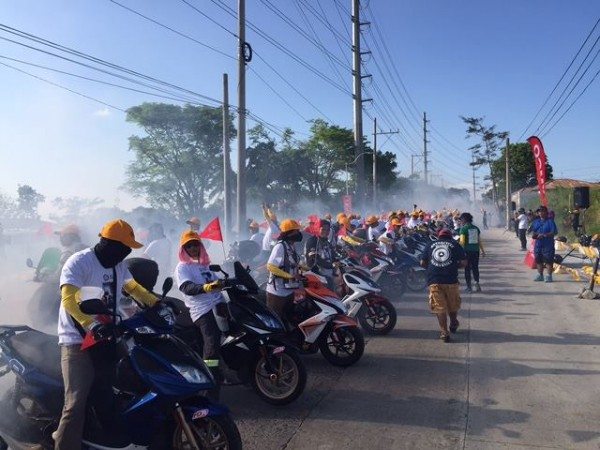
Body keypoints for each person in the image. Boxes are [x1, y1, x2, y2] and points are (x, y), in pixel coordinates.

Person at [53, 219, 159, 450]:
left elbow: (132, 287)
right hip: (77, 341)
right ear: (109, 243)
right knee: (75, 404)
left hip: (107, 336)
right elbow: (69, 300)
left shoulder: (118, 264)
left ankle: (113, 439)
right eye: (125, 247)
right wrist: (90, 324)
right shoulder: (79, 262)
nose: (128, 251)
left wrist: (155, 302)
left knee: (114, 389)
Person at [174, 230, 226, 396]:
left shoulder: (204, 265)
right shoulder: (182, 267)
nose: (193, 248)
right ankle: (210, 381)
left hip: (218, 305)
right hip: (202, 311)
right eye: (189, 245)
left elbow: (218, 280)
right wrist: (205, 287)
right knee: (211, 344)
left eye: (196, 244)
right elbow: (187, 287)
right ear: (184, 249)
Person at [421, 228, 467, 342]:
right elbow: (464, 263)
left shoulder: (430, 244)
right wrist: (453, 267)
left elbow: (422, 263)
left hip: (434, 280)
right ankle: (453, 323)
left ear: (438, 236)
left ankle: (444, 332)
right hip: (451, 279)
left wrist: (433, 269)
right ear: (450, 236)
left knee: (439, 307)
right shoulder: (455, 244)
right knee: (452, 304)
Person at [266, 219, 303, 321]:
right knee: (275, 321)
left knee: (287, 320)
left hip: (289, 290)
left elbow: (291, 263)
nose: (299, 233)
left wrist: (305, 268)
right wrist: (290, 276)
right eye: (296, 231)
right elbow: (270, 267)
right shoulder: (280, 247)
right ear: (289, 233)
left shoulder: (291, 246)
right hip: (277, 293)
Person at [458, 212, 486, 293]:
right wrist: (483, 251)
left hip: (467, 252)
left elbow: (462, 242)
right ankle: (477, 283)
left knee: (467, 269)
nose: (460, 221)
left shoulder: (463, 229)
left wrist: (460, 253)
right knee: (475, 268)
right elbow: (479, 241)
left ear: (464, 219)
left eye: (461, 219)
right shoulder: (476, 228)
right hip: (476, 251)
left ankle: (469, 287)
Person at [530, 205, 558, 282]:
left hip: (548, 244)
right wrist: (535, 235)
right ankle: (540, 275)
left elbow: (554, 232)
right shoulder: (536, 222)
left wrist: (544, 235)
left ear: (546, 212)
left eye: (542, 211)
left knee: (548, 260)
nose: (541, 213)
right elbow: (533, 232)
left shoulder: (550, 221)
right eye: (539, 211)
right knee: (538, 260)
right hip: (538, 244)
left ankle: (549, 276)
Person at [304, 219, 335, 289]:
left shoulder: (327, 242)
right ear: (317, 229)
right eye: (323, 229)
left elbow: (333, 255)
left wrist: (337, 261)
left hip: (328, 274)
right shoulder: (312, 241)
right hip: (317, 276)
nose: (326, 232)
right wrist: (331, 265)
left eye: (328, 230)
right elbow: (315, 259)